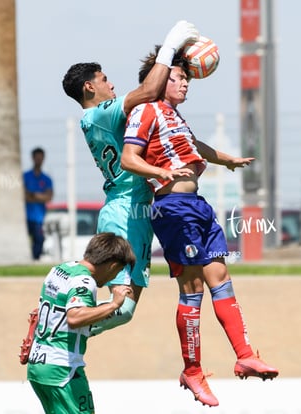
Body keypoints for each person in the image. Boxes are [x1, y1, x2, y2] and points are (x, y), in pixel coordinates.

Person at [121, 47, 279, 407]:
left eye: (188, 77)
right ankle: (192, 369)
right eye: (179, 77)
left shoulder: (173, 115)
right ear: (160, 80)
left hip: (198, 206)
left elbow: (196, 147)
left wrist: (227, 160)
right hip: (173, 208)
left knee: (220, 277)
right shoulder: (145, 110)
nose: (187, 83)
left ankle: (244, 355)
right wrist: (160, 172)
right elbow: (130, 158)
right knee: (192, 287)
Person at [61, 21, 199, 335]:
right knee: (121, 308)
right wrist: (170, 45)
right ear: (89, 88)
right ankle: (56, 323)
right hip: (124, 213)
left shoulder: (97, 118)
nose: (112, 85)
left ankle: (57, 322)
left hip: (131, 210)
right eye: (104, 79)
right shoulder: (100, 112)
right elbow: (149, 91)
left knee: (123, 311)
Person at [27, 232, 135, 414]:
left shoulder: (59, 270)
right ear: (112, 266)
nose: (112, 279)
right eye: (116, 272)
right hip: (63, 371)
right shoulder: (84, 281)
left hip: (38, 366)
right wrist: (114, 304)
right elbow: (75, 317)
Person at [23, 147, 54, 260]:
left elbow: (49, 197)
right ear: (32, 158)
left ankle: (34, 260)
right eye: (37, 158)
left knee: (39, 240)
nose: (39, 160)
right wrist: (41, 196)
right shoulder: (25, 176)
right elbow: (23, 195)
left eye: (41, 158)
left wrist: (33, 195)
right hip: (25, 216)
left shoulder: (46, 179)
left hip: (39, 217)